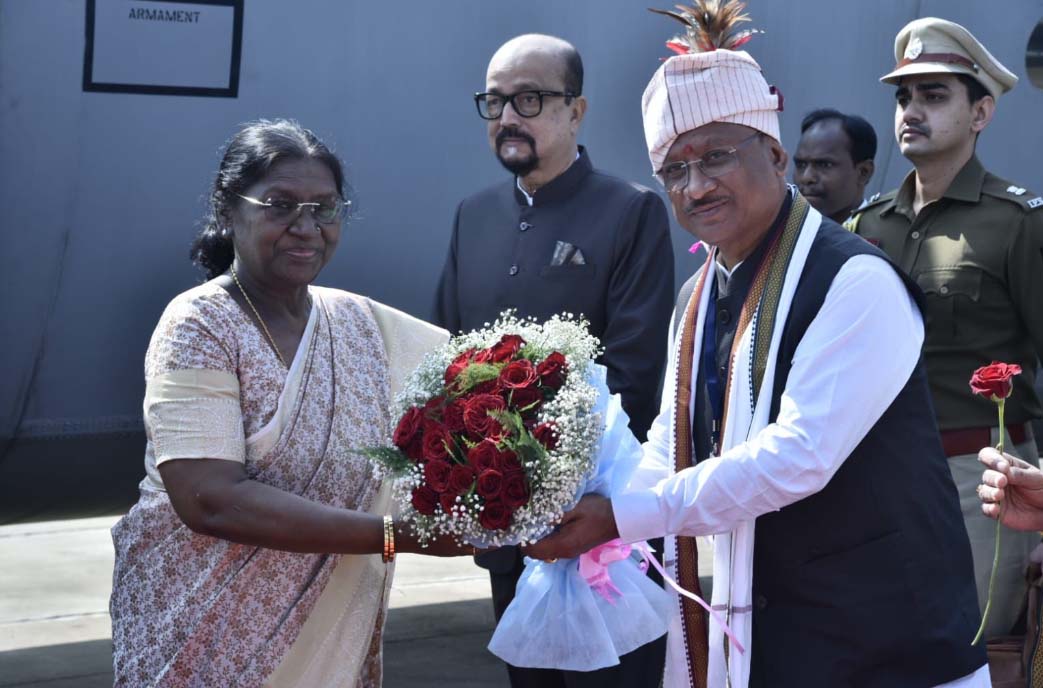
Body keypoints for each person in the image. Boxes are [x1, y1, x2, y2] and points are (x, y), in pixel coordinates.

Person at [525, 2, 987, 686]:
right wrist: (586, 516)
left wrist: (621, 516)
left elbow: (799, 456)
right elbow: (671, 440)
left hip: (887, 643)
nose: (695, 185)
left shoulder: (853, 279)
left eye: (715, 156)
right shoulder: (698, 294)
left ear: (773, 154)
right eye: (674, 169)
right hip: (775, 637)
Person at [110, 119, 468, 688]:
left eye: (324, 208)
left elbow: (477, 385)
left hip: (327, 631)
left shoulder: (359, 324)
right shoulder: (198, 324)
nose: (306, 228)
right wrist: (398, 535)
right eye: (280, 206)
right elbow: (210, 500)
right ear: (229, 211)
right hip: (206, 632)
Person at [433, 33, 673, 688]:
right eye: (496, 102)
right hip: (503, 521)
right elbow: (446, 357)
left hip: (600, 527)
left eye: (530, 99)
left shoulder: (630, 211)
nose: (509, 117)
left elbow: (633, 373)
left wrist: (555, 482)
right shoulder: (473, 216)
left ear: (576, 110)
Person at [852, 17, 1043, 637]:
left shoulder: (1017, 221)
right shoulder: (866, 225)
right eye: (904, 96)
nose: (912, 110)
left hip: (980, 479)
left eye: (934, 96)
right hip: (878, 477)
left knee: (971, 654)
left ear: (981, 112)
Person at [792, 108, 876, 224]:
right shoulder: (782, 229)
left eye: (824, 165)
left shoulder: (881, 233)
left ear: (863, 172)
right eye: (801, 165)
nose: (806, 177)